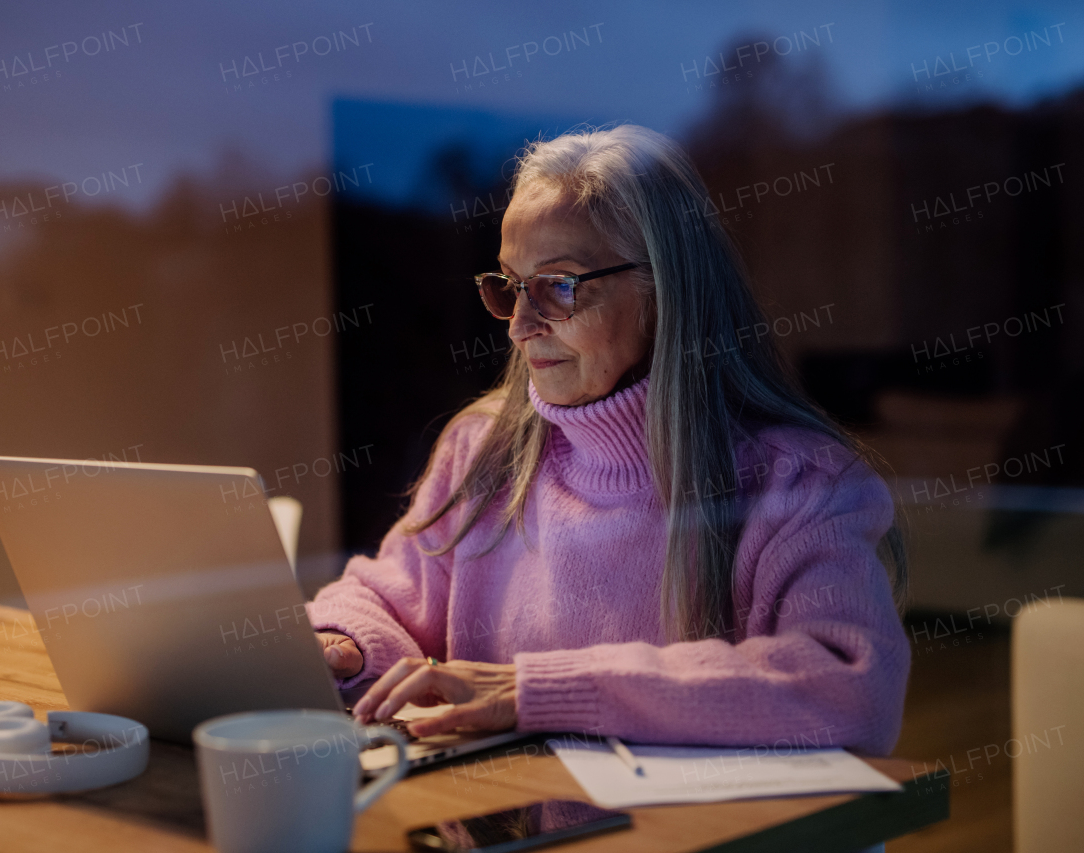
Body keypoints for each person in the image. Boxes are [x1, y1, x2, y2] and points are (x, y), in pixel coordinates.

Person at [307, 124, 910, 760]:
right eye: (510, 286)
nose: (519, 326)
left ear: (666, 292)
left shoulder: (800, 482)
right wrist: (345, 643)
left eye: (560, 285)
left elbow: (854, 689)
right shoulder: (482, 449)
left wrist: (542, 693)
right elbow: (384, 595)